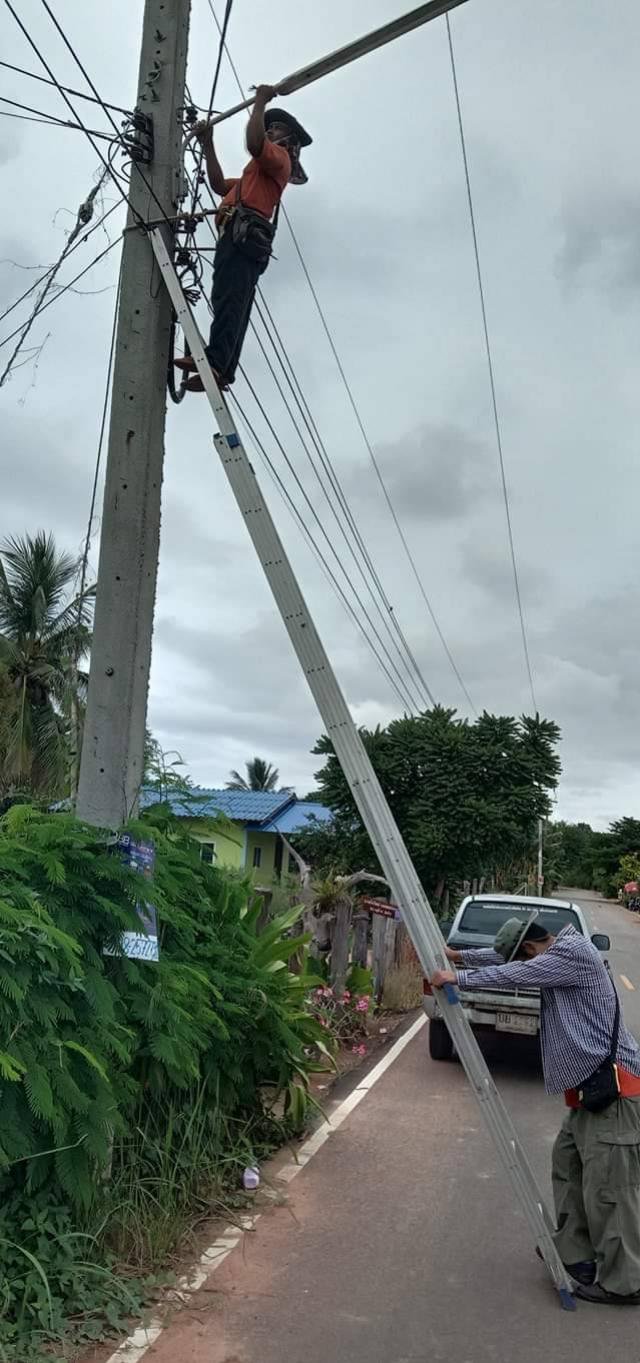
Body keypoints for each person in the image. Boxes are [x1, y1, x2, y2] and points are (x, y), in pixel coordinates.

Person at [431, 916, 640, 1305]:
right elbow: (503, 959)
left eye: (519, 954)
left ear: (529, 947)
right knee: (568, 1167)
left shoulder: (573, 954)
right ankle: (578, 1257)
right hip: (590, 1093)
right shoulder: (555, 951)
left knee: (611, 1190)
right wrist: (458, 955)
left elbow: (516, 972)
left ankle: (626, 1282)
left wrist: (459, 978)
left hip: (617, 1094)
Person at [175, 85, 311, 393]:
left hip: (244, 235)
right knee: (229, 298)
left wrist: (260, 103)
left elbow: (253, 143)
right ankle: (220, 366)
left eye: (273, 129)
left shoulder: (278, 158)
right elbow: (220, 184)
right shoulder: (254, 177)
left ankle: (217, 362)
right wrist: (208, 144)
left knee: (231, 299)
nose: (268, 132)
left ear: (286, 139)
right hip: (238, 235)